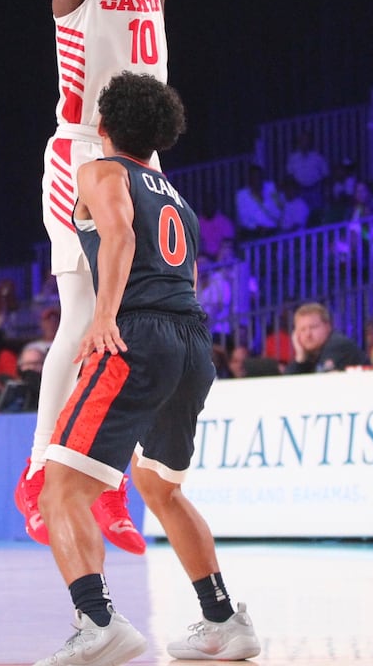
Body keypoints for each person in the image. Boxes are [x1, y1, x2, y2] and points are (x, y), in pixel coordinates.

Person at [18, 0, 215, 554]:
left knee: (139, 321)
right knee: (78, 317)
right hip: (81, 154)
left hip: (144, 157)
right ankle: (37, 474)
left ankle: (103, 483)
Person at [35, 71, 259, 666]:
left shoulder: (99, 171)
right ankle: (223, 620)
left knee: (59, 490)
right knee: (161, 488)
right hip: (191, 337)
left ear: (103, 127)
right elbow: (180, 274)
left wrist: (103, 315)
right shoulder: (175, 197)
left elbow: (119, 236)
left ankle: (98, 621)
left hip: (137, 333)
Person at [284, 302, 368, 374]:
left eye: (313, 327)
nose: (308, 334)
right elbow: (286, 386)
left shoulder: (338, 345)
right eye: (302, 329)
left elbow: (321, 383)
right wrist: (300, 357)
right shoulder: (308, 355)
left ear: (328, 327)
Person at [285, 129, 329, 215]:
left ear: (310, 142)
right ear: (299, 142)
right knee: (302, 214)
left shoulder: (318, 157)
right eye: (302, 140)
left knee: (317, 213)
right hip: (300, 190)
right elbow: (290, 176)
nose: (304, 142)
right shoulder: (293, 158)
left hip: (316, 190)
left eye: (307, 140)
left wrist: (325, 191)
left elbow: (326, 175)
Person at [234, 163, 281, 240]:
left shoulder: (271, 188)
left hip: (272, 230)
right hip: (253, 232)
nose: (257, 180)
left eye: (259, 177)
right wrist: (257, 227)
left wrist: (263, 199)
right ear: (249, 179)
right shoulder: (241, 195)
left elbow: (279, 210)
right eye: (254, 177)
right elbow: (243, 218)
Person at [197, 190, 235, 260]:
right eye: (206, 203)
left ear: (215, 204)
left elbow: (227, 243)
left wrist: (216, 256)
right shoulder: (198, 223)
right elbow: (199, 246)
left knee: (226, 252)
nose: (208, 206)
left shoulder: (224, 222)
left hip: (222, 259)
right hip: (206, 259)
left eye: (211, 203)